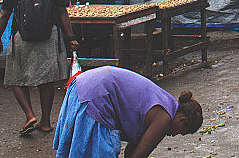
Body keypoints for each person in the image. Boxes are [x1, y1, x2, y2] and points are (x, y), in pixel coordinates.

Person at [0, 0, 78, 135]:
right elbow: (63, 12)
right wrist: (70, 37)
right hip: (49, 35)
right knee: (46, 79)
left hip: (22, 36)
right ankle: (46, 121)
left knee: (16, 77)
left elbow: (4, 14)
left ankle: (30, 114)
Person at [54, 66, 202, 158]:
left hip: (83, 84)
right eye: (181, 132)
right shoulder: (164, 118)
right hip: (96, 96)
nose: (174, 135)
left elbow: (132, 151)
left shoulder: (166, 102)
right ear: (182, 119)